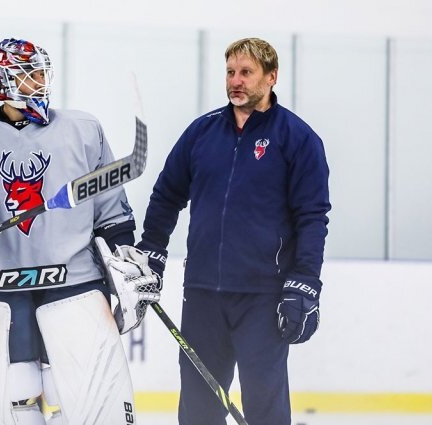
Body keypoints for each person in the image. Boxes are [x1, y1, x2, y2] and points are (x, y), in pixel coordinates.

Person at [0, 37, 156, 425]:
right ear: (3, 82)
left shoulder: (83, 128)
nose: (39, 82)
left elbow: (110, 205)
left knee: (81, 398)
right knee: (14, 395)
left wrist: (124, 253)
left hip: (74, 279)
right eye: (28, 75)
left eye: (42, 73)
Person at [136, 37, 331, 425]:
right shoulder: (202, 132)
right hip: (204, 292)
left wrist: (305, 283)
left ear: (271, 77)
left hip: (263, 296)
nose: (235, 81)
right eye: (230, 72)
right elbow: (166, 195)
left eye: (246, 72)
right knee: (198, 405)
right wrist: (152, 250)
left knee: (265, 405)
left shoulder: (298, 138)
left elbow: (312, 217)